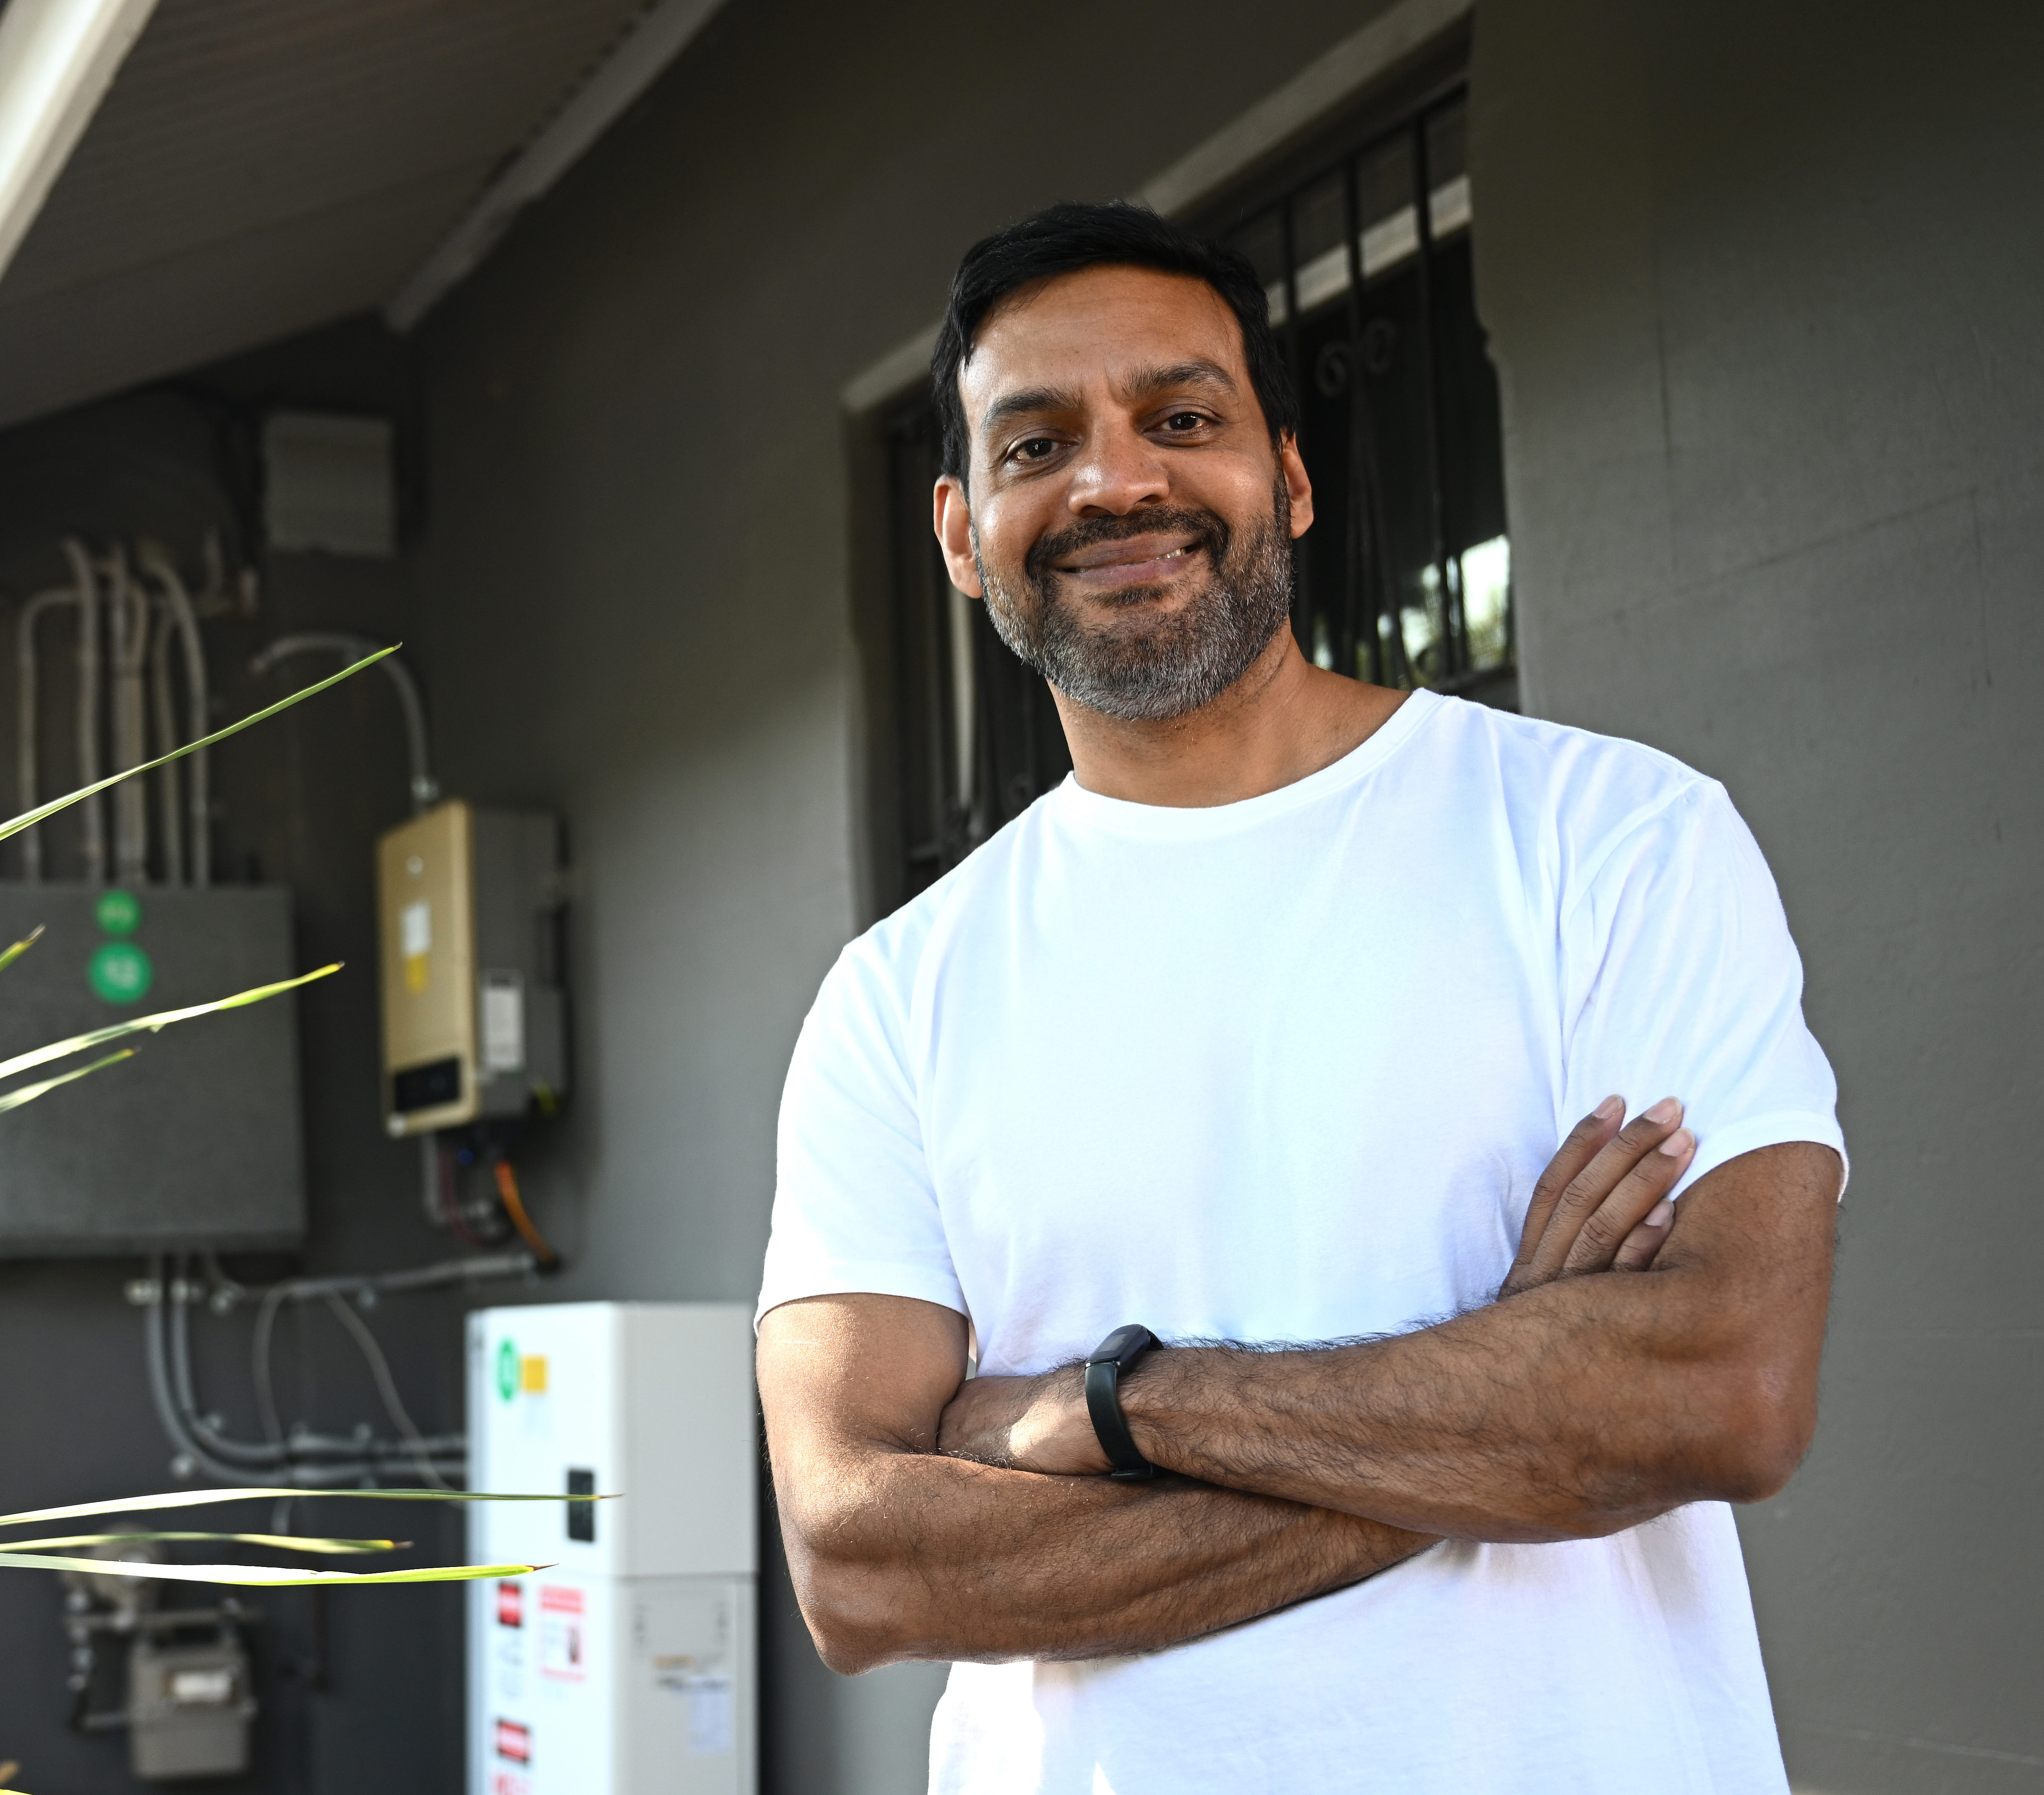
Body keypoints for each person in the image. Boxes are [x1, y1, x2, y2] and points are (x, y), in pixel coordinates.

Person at [754, 200, 1845, 1793]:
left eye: (1181, 418)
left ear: (1291, 473)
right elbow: (861, 1564)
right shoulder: (894, 999)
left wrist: (1114, 1405)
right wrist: (1523, 1396)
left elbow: (1721, 1388)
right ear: (957, 528)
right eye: (1036, 443)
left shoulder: (1612, 841)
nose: (1116, 480)